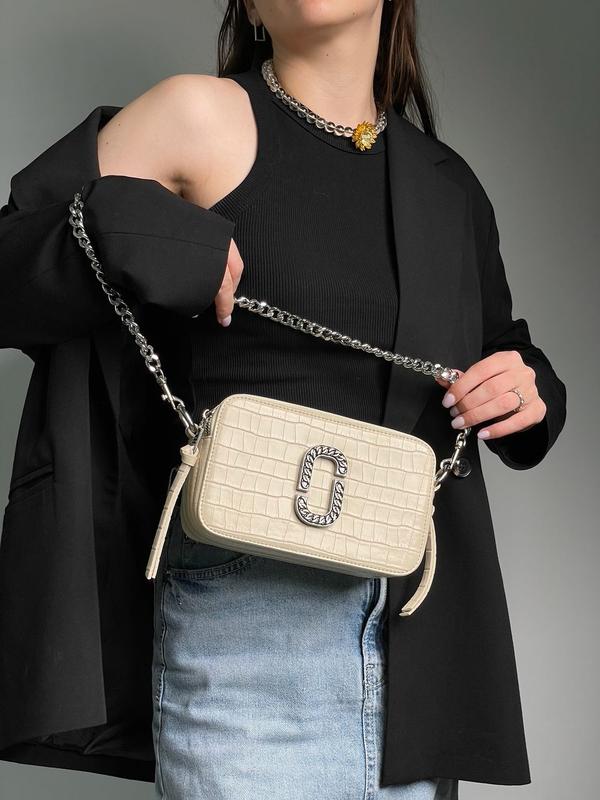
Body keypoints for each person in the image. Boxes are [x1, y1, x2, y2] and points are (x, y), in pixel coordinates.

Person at [0, 1, 567, 797]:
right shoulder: (196, 116)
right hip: (245, 633)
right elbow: (12, 261)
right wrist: (143, 233)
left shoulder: (449, 186)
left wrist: (531, 391)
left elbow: (504, 348)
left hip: (415, 651)